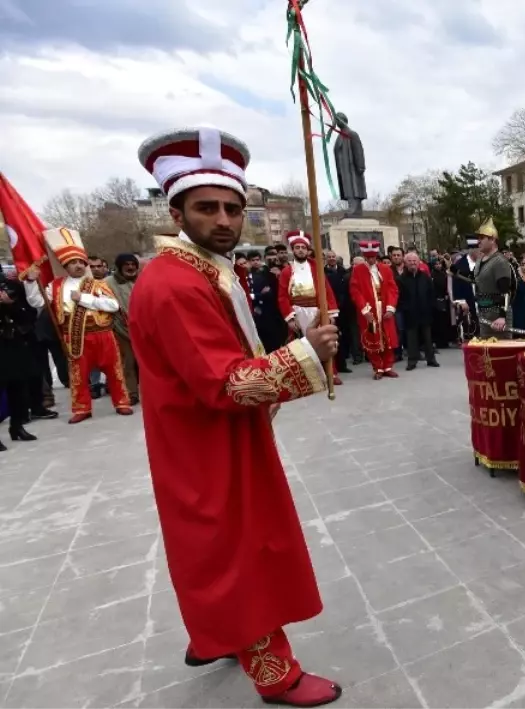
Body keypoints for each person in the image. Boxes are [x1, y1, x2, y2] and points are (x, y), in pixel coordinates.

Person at [131, 126, 342, 706]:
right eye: (207, 208)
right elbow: (223, 383)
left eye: (232, 208)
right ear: (177, 211)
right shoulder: (175, 284)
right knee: (237, 550)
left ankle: (215, 633)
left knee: (215, 545)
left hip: (211, 435)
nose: (223, 220)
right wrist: (307, 354)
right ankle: (277, 675)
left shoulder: (203, 269)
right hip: (207, 439)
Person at [36, 227, 134, 424]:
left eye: (81, 262)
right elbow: (37, 302)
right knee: (78, 376)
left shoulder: (97, 284)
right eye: (73, 263)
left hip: (103, 334)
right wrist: (31, 282)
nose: (78, 266)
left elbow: (113, 305)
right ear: (66, 265)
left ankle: (122, 402)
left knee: (114, 371)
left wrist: (85, 298)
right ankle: (82, 408)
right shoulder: (55, 286)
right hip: (74, 336)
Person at [1, 265, 55, 450]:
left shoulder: (11, 286)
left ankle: (17, 426)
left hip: (14, 343)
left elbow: (29, 314)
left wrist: (10, 305)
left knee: (19, 386)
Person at [277, 230, 341, 385]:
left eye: (303, 247)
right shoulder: (287, 271)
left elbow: (327, 291)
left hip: (316, 311)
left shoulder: (317, 269)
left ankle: (330, 372)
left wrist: (331, 313)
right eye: (297, 247)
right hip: (298, 312)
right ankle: (306, 376)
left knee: (324, 341)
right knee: (301, 345)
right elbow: (282, 297)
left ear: (307, 250)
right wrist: (290, 317)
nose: (300, 250)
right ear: (293, 250)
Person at [350, 240, 399, 379]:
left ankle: (388, 366)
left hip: (384, 308)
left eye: (373, 257)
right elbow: (355, 291)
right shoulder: (358, 270)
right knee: (372, 337)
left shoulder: (385, 269)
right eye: (368, 257)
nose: (371, 260)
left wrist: (391, 307)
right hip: (370, 311)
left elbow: (392, 288)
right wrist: (365, 310)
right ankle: (378, 367)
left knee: (388, 337)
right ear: (364, 256)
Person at [106, 253, 142, 403]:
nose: (130, 267)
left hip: (144, 328)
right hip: (121, 328)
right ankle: (132, 393)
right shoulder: (107, 283)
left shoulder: (142, 279)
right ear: (119, 266)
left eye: (133, 264)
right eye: (126, 264)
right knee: (128, 362)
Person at [473, 218, 516, 339]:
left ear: (492, 240)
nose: (478, 241)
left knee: (502, 354)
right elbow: (475, 280)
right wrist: (455, 270)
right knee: (486, 354)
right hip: (484, 314)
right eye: (478, 238)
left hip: (498, 315)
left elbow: (505, 291)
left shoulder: (500, 261)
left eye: (482, 238)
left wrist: (502, 316)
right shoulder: (480, 260)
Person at [396, 251, 439, 370]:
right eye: (409, 261)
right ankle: (412, 361)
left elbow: (431, 293)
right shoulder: (401, 279)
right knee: (411, 339)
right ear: (405, 263)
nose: (412, 263)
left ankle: (431, 359)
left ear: (419, 262)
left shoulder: (425, 277)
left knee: (428, 338)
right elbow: (398, 297)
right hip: (410, 313)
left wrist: (431, 307)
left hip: (425, 312)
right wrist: (405, 308)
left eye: (414, 261)